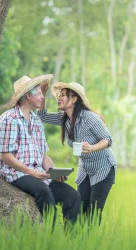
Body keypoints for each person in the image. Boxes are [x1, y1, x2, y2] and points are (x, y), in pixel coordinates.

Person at [0, 74, 81, 226]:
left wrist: (54, 172)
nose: (42, 97)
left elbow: (42, 156)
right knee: (44, 192)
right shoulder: (9, 120)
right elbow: (5, 156)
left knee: (72, 196)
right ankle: (50, 237)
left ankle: (70, 241)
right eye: (39, 93)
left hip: (37, 173)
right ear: (28, 95)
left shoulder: (35, 121)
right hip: (16, 173)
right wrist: (31, 172)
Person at [37, 82, 117, 224]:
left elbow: (108, 140)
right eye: (58, 95)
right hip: (85, 168)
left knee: (93, 212)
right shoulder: (64, 119)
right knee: (79, 208)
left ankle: (91, 243)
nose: (59, 98)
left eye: (63, 95)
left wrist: (91, 148)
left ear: (74, 99)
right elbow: (42, 116)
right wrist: (42, 93)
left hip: (103, 167)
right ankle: (78, 242)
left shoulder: (89, 118)